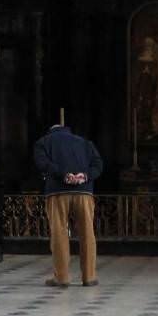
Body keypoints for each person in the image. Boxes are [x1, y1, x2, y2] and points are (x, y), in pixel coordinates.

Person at [33, 122, 103, 288]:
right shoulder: (85, 142)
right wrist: (85, 176)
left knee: (59, 233)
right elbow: (98, 164)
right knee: (87, 233)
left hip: (57, 192)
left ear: (51, 131)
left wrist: (63, 175)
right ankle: (89, 276)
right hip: (84, 192)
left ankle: (62, 277)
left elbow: (42, 164)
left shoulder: (44, 142)